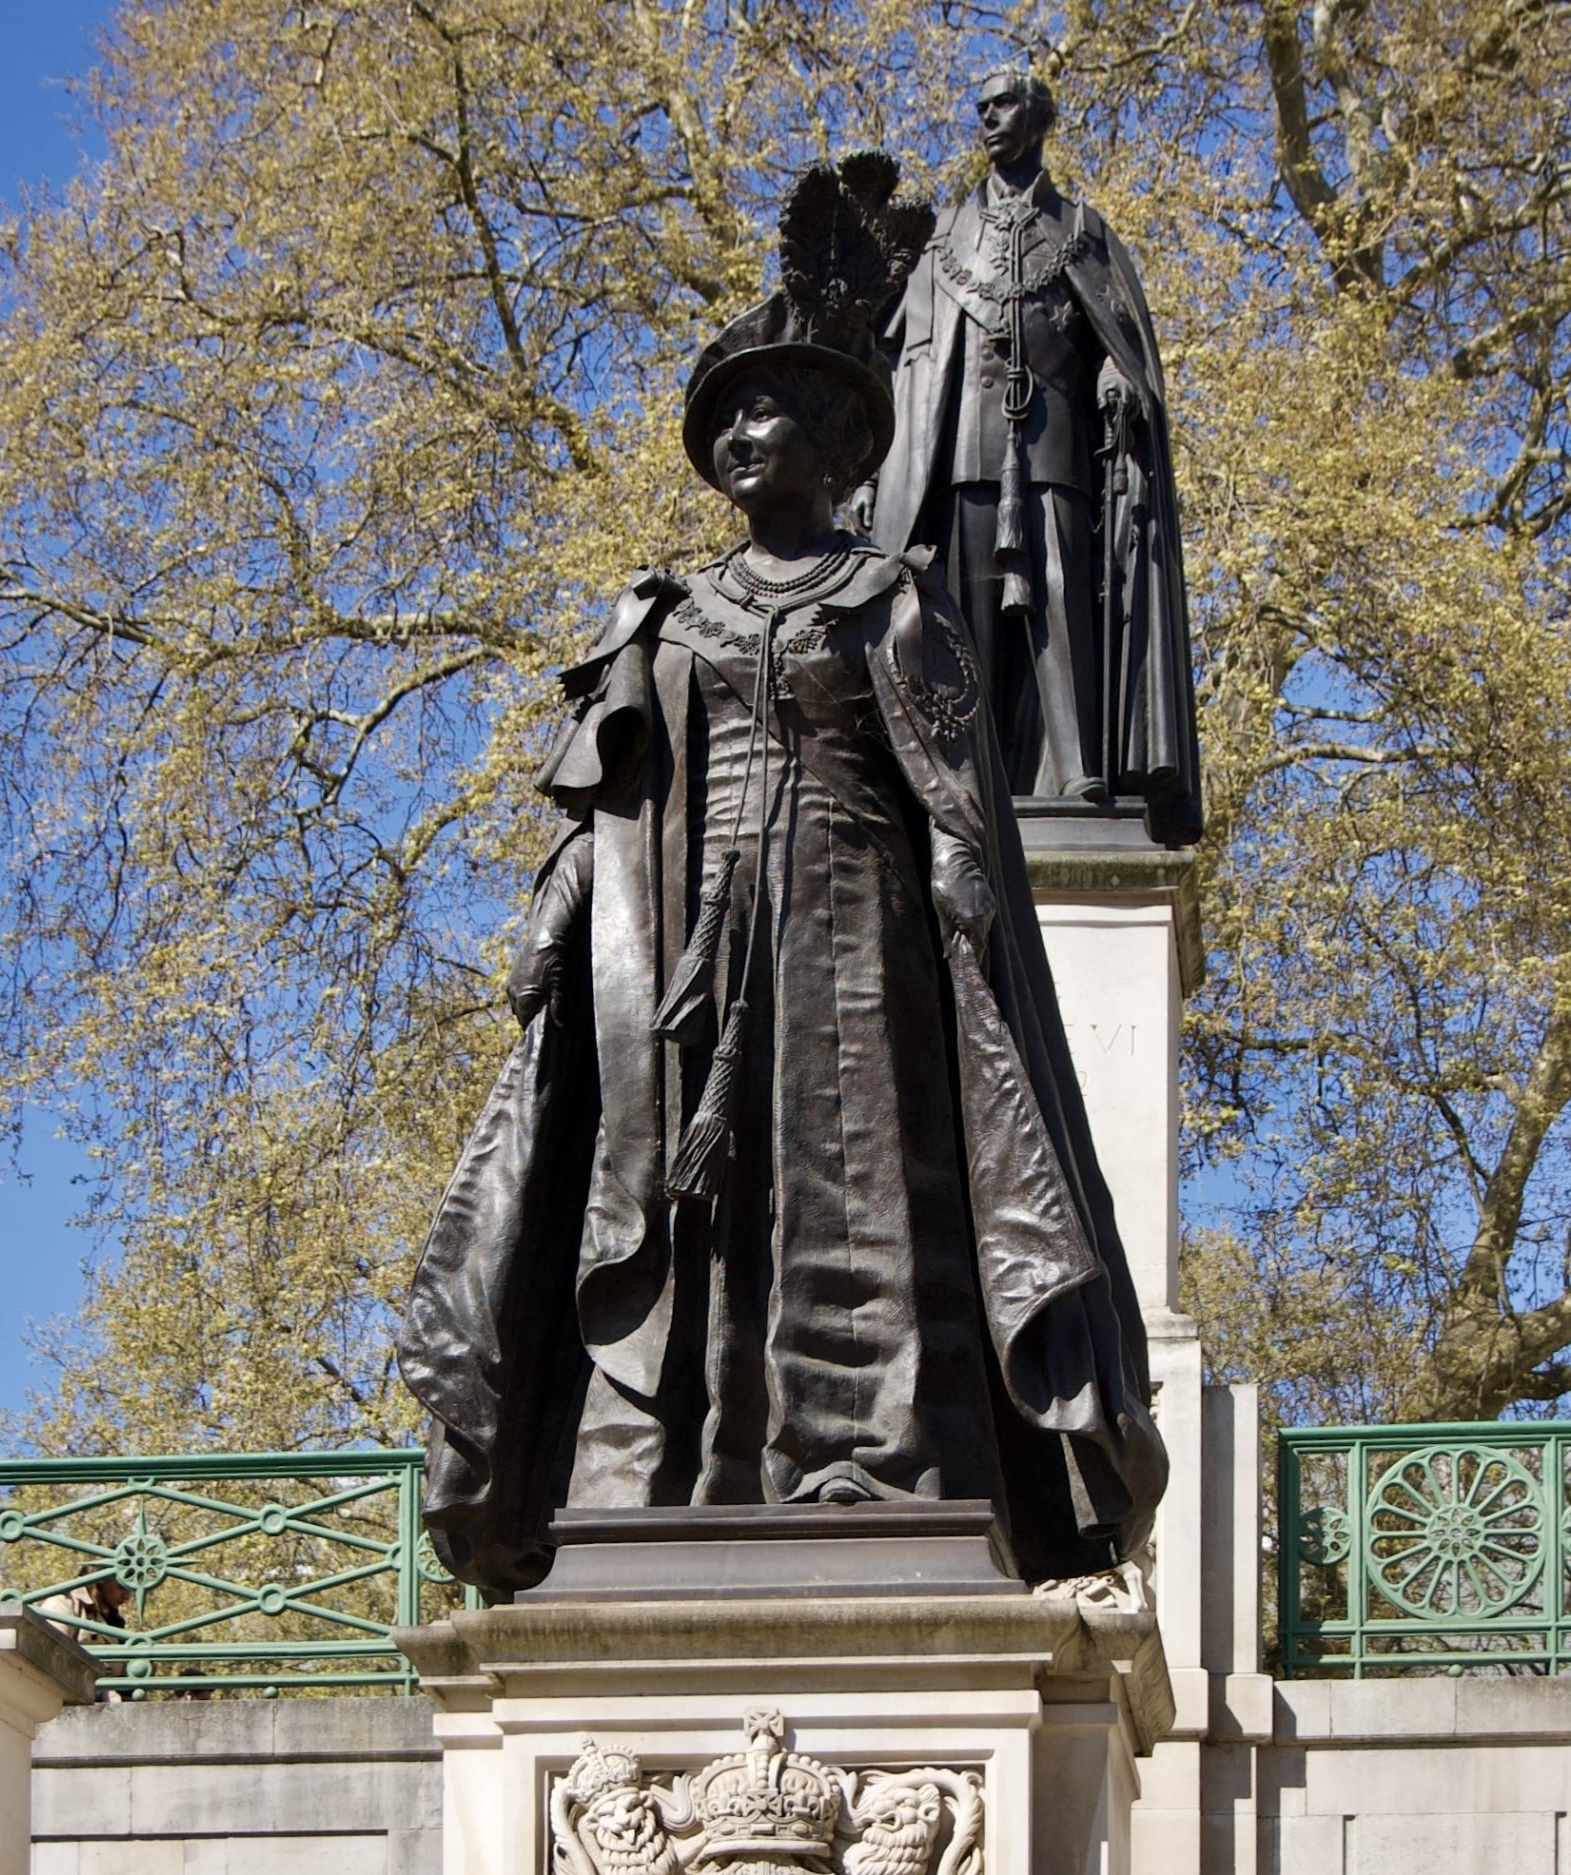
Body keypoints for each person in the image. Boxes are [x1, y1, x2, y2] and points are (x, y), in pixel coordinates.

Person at [397, 157, 1167, 1598]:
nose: (746, 437)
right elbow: (608, 795)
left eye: (773, 415)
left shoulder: (883, 594)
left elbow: (949, 788)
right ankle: (678, 1465)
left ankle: (876, 1468)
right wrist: (557, 918)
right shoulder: (670, 613)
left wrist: (958, 889)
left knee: (857, 1186)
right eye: (730, 418)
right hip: (686, 935)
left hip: (853, 927)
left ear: (827, 444)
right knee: (690, 1197)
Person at [865, 67, 1201, 843]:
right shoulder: (941, 240)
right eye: (979, 106)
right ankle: (963, 774)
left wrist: (1119, 377)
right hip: (959, 461)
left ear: (1040, 116)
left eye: (1004, 104)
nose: (988, 118)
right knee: (961, 619)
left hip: (1057, 454)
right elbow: (891, 361)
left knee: (1057, 599)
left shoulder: (1082, 231)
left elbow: (1119, 341)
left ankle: (1079, 769)